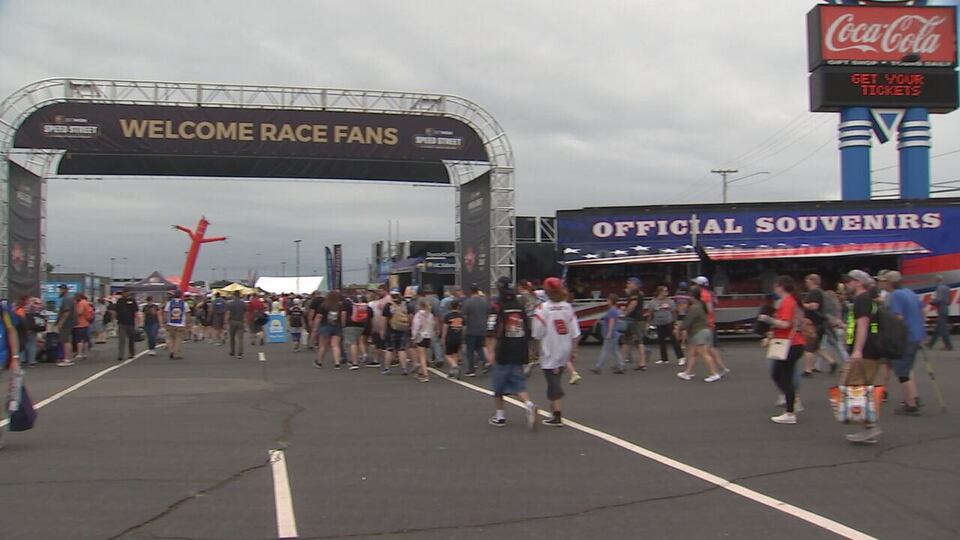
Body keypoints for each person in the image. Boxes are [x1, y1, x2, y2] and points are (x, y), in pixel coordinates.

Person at [843, 269, 886, 444]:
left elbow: (863, 325)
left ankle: (870, 427)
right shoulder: (868, 299)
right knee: (860, 388)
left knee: (856, 388)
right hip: (872, 350)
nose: (846, 284)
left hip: (866, 351)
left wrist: (857, 350)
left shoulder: (862, 299)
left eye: (849, 281)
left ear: (858, 282)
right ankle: (869, 427)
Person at [488, 281, 538, 430]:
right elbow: (528, 330)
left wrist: (490, 351)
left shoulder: (497, 306)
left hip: (503, 350)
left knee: (498, 386)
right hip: (519, 349)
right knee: (518, 383)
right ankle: (529, 404)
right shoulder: (520, 306)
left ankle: (500, 416)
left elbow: (492, 330)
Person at [757, 276, 807, 424]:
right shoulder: (793, 301)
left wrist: (768, 319)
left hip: (789, 344)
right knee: (785, 375)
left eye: (776, 287)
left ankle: (790, 408)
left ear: (781, 287)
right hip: (794, 343)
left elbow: (785, 324)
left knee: (780, 375)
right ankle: (790, 405)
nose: (775, 290)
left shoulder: (787, 302)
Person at [532, 277, 580, 427]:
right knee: (556, 378)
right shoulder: (567, 307)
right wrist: (574, 349)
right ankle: (554, 408)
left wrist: (534, 348)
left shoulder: (542, 309)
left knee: (552, 382)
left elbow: (537, 333)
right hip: (564, 347)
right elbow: (576, 333)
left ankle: (557, 414)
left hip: (550, 349)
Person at [879, 271, 924, 416]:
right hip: (915, 335)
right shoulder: (910, 293)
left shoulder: (895, 295)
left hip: (905, 338)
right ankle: (913, 398)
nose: (882, 284)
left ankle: (910, 404)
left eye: (884, 281)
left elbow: (897, 317)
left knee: (902, 372)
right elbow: (921, 311)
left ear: (890, 283)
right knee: (907, 368)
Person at [677, 286, 721, 382]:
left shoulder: (694, 307)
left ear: (692, 295)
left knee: (704, 354)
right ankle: (687, 372)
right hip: (704, 331)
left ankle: (714, 373)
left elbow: (688, 321)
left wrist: (680, 328)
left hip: (699, 332)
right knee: (692, 353)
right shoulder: (701, 304)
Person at [693, 276, 730, 377]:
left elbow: (708, 310)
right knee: (706, 348)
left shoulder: (704, 295)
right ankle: (689, 370)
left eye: (696, 284)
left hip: (706, 324)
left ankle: (720, 369)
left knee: (707, 348)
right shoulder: (709, 294)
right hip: (708, 323)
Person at [801, 274, 836, 376]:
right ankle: (832, 362)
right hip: (819, 323)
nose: (805, 282)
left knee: (809, 347)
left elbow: (814, 306)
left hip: (815, 324)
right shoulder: (818, 292)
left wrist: (803, 305)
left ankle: (808, 370)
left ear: (813, 281)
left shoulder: (815, 293)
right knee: (816, 347)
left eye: (807, 280)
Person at [649, 285, 683, 365]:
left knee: (674, 340)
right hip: (659, 323)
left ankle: (681, 357)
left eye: (666, 290)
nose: (666, 292)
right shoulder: (653, 302)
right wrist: (649, 323)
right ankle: (664, 358)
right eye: (665, 291)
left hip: (669, 322)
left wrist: (675, 322)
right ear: (660, 292)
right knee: (661, 341)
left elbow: (674, 312)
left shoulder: (670, 301)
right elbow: (651, 313)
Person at [591, 294, 624, 374]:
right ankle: (621, 366)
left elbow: (611, 323)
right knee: (615, 351)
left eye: (608, 300)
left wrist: (609, 333)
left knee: (605, 351)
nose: (607, 301)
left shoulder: (612, 311)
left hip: (610, 334)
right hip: (614, 333)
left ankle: (598, 367)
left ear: (611, 301)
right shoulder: (614, 310)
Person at [382, 289, 412, 375]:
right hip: (403, 329)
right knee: (402, 349)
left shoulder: (389, 305)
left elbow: (385, 319)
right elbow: (410, 317)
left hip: (391, 329)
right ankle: (404, 369)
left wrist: (383, 330)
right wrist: (409, 326)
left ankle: (387, 368)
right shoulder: (405, 304)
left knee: (389, 349)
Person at [462, 284, 489, 377]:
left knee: (470, 350)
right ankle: (485, 361)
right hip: (482, 328)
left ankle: (471, 369)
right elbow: (487, 314)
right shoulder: (484, 302)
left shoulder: (468, 302)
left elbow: (464, 316)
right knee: (480, 347)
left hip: (471, 328)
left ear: (470, 291)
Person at [621, 277, 648, 371]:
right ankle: (642, 362)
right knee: (638, 341)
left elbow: (633, 304)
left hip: (633, 320)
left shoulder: (635, 293)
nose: (627, 284)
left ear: (635, 284)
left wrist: (625, 313)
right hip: (638, 319)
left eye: (629, 283)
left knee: (626, 340)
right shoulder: (639, 293)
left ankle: (622, 362)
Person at [341, 289, 370, 370]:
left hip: (350, 325)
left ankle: (354, 362)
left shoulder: (346, 302)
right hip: (360, 324)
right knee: (358, 342)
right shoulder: (359, 301)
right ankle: (364, 354)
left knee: (352, 344)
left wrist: (343, 325)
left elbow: (343, 314)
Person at [315, 291, 344, 369]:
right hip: (337, 326)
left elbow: (318, 317)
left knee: (322, 346)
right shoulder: (339, 306)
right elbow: (342, 316)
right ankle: (337, 363)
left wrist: (315, 327)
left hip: (325, 326)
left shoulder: (323, 305)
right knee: (335, 345)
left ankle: (319, 362)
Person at [410, 299, 436, 382]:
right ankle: (420, 373)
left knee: (421, 357)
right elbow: (432, 326)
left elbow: (416, 326)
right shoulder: (430, 315)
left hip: (420, 336)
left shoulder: (418, 315)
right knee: (424, 354)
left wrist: (413, 337)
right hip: (428, 336)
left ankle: (425, 374)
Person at [927, 275, 953, 351]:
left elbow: (939, 299)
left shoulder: (939, 288)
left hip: (941, 309)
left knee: (943, 329)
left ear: (937, 280)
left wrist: (931, 301)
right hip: (946, 308)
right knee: (938, 329)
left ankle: (948, 346)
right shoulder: (947, 288)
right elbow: (949, 301)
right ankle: (930, 344)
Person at [114, 289, 139, 362]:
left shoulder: (132, 301)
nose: (125, 294)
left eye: (126, 292)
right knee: (122, 338)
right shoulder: (119, 301)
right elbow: (116, 310)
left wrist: (137, 322)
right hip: (121, 322)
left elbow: (136, 312)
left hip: (130, 323)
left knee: (131, 338)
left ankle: (131, 353)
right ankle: (120, 354)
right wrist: (115, 319)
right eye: (124, 293)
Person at [55, 284, 77, 367]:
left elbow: (66, 312)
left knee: (65, 340)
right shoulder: (68, 299)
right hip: (68, 322)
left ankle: (67, 358)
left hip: (66, 323)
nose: (59, 291)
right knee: (66, 340)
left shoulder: (67, 299)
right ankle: (69, 358)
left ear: (65, 290)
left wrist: (60, 323)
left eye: (61, 289)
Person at [442, 299, 465, 378]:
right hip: (458, 336)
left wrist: (443, 338)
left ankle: (454, 366)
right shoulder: (461, 316)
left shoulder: (447, 316)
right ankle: (453, 371)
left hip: (450, 337)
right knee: (455, 354)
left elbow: (445, 328)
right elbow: (464, 327)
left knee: (448, 355)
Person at [163, 291, 189, 360]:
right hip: (180, 324)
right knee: (179, 339)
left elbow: (165, 313)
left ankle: (171, 351)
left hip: (170, 323)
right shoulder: (184, 304)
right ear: (181, 296)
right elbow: (187, 314)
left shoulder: (169, 303)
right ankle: (176, 354)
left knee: (171, 338)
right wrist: (188, 323)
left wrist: (165, 321)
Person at [225, 291, 246, 359]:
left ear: (234, 296)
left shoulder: (230, 304)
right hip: (240, 321)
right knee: (240, 338)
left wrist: (225, 321)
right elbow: (245, 313)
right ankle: (240, 353)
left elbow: (228, 313)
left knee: (232, 338)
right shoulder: (243, 304)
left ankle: (232, 351)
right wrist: (245, 321)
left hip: (232, 321)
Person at [73, 293, 93, 361]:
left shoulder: (81, 303)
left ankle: (79, 354)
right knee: (85, 339)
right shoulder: (86, 303)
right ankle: (85, 353)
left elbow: (80, 312)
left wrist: (74, 311)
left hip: (80, 324)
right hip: (86, 323)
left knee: (79, 340)